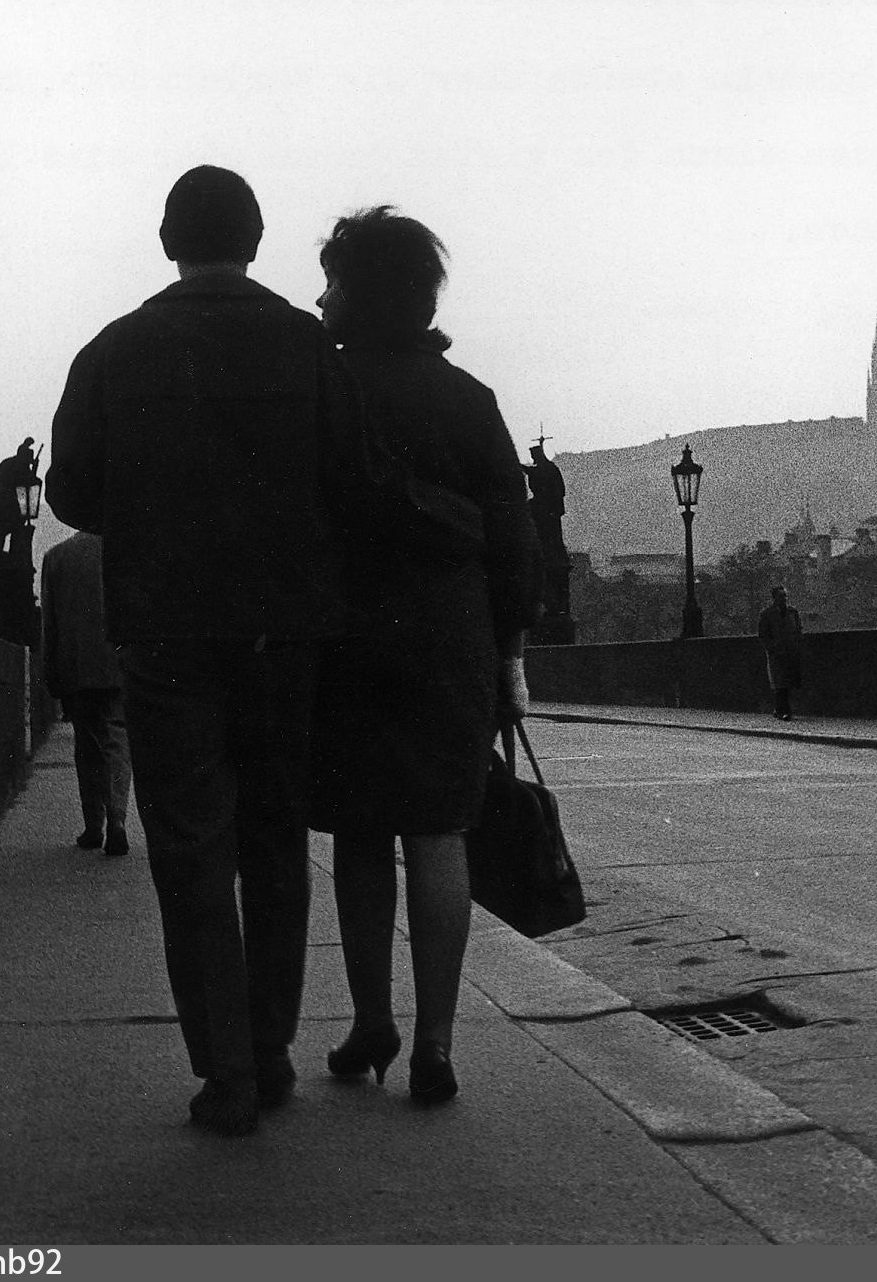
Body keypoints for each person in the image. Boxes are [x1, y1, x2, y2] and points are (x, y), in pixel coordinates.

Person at [47, 166, 480, 1138]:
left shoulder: (113, 350)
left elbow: (72, 491)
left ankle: (227, 1067)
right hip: (286, 631)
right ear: (252, 238)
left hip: (165, 630)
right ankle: (273, 1045)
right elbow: (360, 480)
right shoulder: (305, 344)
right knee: (274, 839)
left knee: (190, 848)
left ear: (169, 241)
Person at [308, 207, 541, 1107]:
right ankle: (437, 1043)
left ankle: (373, 1021)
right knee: (441, 833)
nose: (320, 298)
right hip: (450, 642)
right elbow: (515, 550)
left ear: (359, 291)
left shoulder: (325, 392)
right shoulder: (469, 398)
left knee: (361, 835)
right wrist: (509, 657)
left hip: (346, 640)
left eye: (332, 280)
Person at [40, 530, 131, 857]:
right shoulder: (125, 551)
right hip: (118, 664)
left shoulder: (57, 557)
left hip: (76, 666)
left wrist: (51, 673)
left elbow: (49, 625)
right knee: (116, 740)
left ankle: (94, 826)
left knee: (87, 745)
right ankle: (118, 818)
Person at [756, 586, 804, 720]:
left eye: (784, 596)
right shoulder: (767, 614)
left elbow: (798, 629)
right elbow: (763, 635)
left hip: (791, 652)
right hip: (777, 654)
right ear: (774, 598)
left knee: (788, 683)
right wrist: (772, 648)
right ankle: (784, 710)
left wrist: (797, 644)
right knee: (779, 682)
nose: (783, 599)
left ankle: (780, 709)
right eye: (780, 596)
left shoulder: (792, 612)